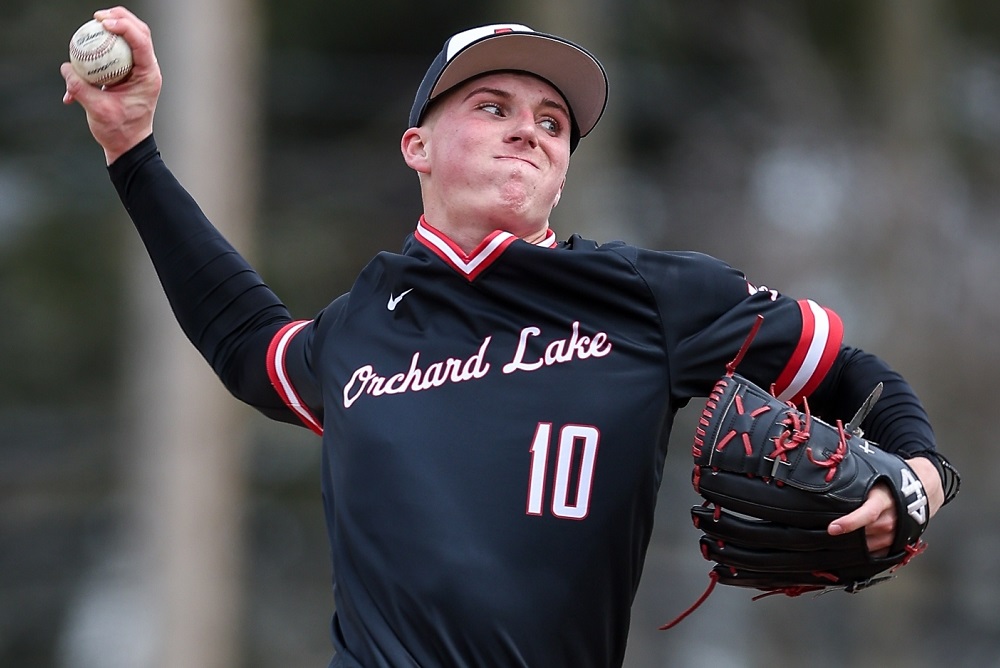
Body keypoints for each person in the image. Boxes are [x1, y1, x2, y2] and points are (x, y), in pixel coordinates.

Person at [62, 7, 959, 667]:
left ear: (564, 172)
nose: (529, 128)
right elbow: (243, 336)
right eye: (492, 105)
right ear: (416, 146)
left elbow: (853, 376)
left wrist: (918, 480)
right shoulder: (361, 327)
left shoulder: (647, 297)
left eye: (553, 123)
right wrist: (132, 148)